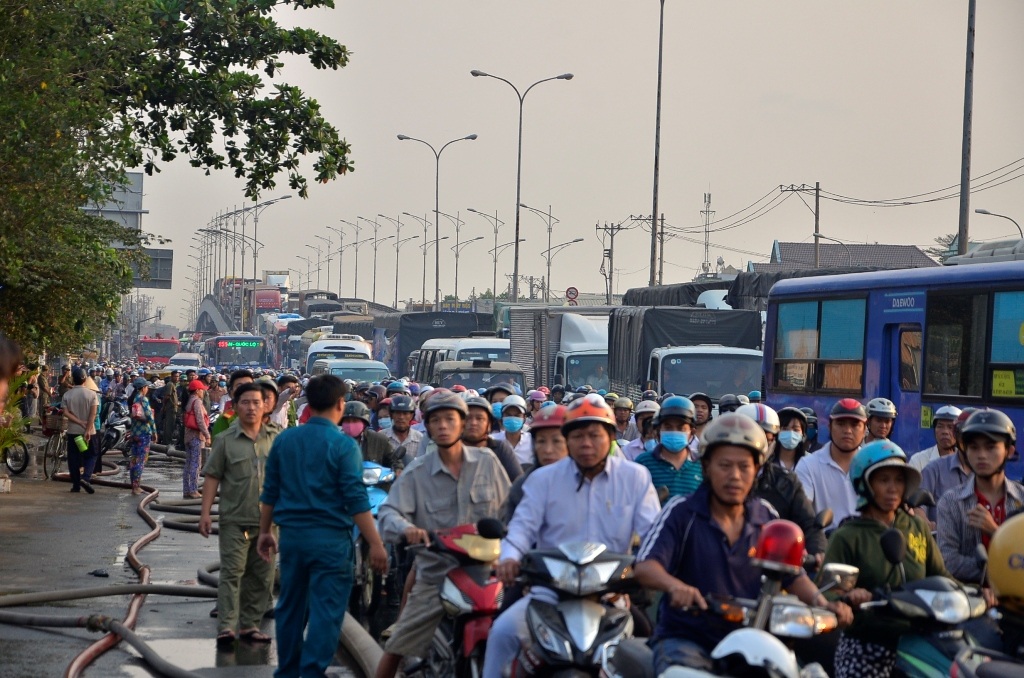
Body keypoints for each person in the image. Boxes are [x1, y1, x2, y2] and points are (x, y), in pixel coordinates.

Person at [634, 413, 852, 673]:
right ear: (706, 467)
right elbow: (646, 566)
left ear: (757, 469)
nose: (735, 476)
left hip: (751, 638)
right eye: (724, 465)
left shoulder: (766, 517)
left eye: (744, 466)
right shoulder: (682, 512)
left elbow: (792, 575)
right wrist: (676, 587)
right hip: (687, 638)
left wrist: (823, 603)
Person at [484, 394, 661, 678]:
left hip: (610, 596)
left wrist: (652, 565)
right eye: (577, 435)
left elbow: (653, 534)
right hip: (549, 595)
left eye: (594, 434)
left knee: (649, 648)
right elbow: (521, 527)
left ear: (611, 436)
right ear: (568, 439)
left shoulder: (635, 477)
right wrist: (509, 558)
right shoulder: (544, 479)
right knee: (502, 634)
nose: (586, 443)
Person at [257, 374, 388, 678]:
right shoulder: (344, 446)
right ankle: (312, 672)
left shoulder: (285, 439)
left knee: (290, 608)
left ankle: (288, 672)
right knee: (326, 613)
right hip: (330, 542)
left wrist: (265, 532)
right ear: (341, 404)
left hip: (292, 539)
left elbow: (270, 492)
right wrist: (377, 543)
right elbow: (357, 501)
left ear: (309, 403)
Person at [374, 393, 511, 678]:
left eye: (450, 419)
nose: (443, 426)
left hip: (488, 574)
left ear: (462, 424)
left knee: (527, 637)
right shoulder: (417, 472)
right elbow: (389, 514)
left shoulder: (487, 462)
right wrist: (407, 529)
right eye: (436, 421)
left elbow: (511, 511)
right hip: (437, 576)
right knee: (397, 645)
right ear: (428, 427)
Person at [823, 440, 950, 678]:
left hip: (918, 642)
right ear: (865, 484)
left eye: (899, 480)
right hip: (867, 645)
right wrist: (848, 599)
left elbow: (941, 577)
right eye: (884, 480)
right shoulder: (847, 536)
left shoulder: (915, 528)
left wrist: (978, 593)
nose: (893, 488)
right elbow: (829, 592)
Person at [198, 383, 280, 648]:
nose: (252, 407)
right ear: (235, 405)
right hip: (234, 519)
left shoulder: (277, 439)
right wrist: (205, 513)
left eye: (257, 402)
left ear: (265, 405)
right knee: (232, 573)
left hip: (268, 523)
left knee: (262, 576)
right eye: (246, 402)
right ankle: (226, 626)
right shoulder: (225, 441)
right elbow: (212, 477)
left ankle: (250, 626)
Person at [936, 409, 1024, 584]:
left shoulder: (1021, 499)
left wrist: (996, 532)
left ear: (1009, 450)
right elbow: (949, 562)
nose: (981, 455)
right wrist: (1004, 569)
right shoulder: (951, 502)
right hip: (968, 600)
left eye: (990, 447)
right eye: (974, 447)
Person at [741, 403, 827, 559]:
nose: (758, 446)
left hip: (778, 558)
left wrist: (818, 550)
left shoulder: (787, 481)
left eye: (766, 439)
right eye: (750, 438)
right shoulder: (717, 477)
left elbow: (809, 523)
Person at [795, 398, 867, 529]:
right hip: (823, 543)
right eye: (841, 424)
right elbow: (802, 512)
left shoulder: (872, 466)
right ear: (829, 426)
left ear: (864, 429)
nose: (848, 430)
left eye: (855, 425)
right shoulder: (809, 465)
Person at [503, 404, 569, 522]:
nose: (548, 449)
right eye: (541, 441)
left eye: (557, 441)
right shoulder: (522, 487)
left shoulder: (589, 482)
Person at [635, 396, 703, 502]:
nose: (674, 431)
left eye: (681, 428)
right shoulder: (643, 463)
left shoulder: (703, 465)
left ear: (692, 432)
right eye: (668, 427)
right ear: (658, 431)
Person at [919, 408, 979, 525]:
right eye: (966, 437)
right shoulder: (933, 469)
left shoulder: (992, 475)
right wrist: (925, 523)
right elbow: (918, 507)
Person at [461, 396, 524, 482]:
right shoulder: (452, 450)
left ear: (489, 424)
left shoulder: (500, 449)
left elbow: (518, 484)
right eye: (468, 418)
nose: (473, 423)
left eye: (479, 418)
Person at [62, 368, 98, 494]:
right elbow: (93, 414)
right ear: (85, 379)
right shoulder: (92, 394)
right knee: (91, 455)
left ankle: (76, 485)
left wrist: (78, 422)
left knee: (73, 458)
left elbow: (65, 413)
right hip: (89, 432)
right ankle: (86, 478)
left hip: (73, 432)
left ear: (73, 379)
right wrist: (87, 429)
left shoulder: (67, 395)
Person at [341, 400, 402, 469]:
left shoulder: (379, 440)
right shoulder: (334, 442)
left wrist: (397, 469)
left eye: (355, 421)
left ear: (364, 423)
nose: (350, 425)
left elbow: (394, 460)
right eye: (347, 421)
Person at [127, 377, 157, 495]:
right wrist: (154, 431)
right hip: (144, 433)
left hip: (135, 433)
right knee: (140, 460)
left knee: (134, 459)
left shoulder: (134, 399)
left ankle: (134, 485)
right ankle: (136, 486)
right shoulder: (143, 399)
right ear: (143, 388)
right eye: (146, 387)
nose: (147, 389)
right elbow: (149, 417)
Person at [909, 405, 962, 472]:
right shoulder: (918, 461)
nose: (945, 432)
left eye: (950, 427)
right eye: (940, 426)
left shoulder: (967, 462)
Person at [182, 378, 211, 499]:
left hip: (188, 436)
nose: (203, 392)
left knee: (189, 463)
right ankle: (193, 490)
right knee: (196, 463)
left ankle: (187, 489)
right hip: (196, 436)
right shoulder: (197, 402)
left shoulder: (190, 401)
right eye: (202, 390)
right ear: (198, 390)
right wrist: (207, 435)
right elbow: (200, 420)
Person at [211, 369, 255, 438]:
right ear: (231, 391)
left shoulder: (262, 416)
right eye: (239, 386)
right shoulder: (224, 419)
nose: (244, 389)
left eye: (248, 385)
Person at [493, 395, 533, 467]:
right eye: (508, 415)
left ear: (524, 417)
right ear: (502, 417)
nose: (512, 418)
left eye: (517, 415)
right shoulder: (492, 440)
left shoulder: (532, 442)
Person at [380, 394, 422, 459]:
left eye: (405, 413)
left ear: (412, 415)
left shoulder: (420, 439)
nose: (401, 417)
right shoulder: (381, 437)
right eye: (397, 413)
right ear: (392, 415)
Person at [774, 406, 811, 471]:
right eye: (785, 429)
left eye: (796, 430)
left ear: (803, 434)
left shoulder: (810, 462)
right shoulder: (767, 461)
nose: (791, 433)